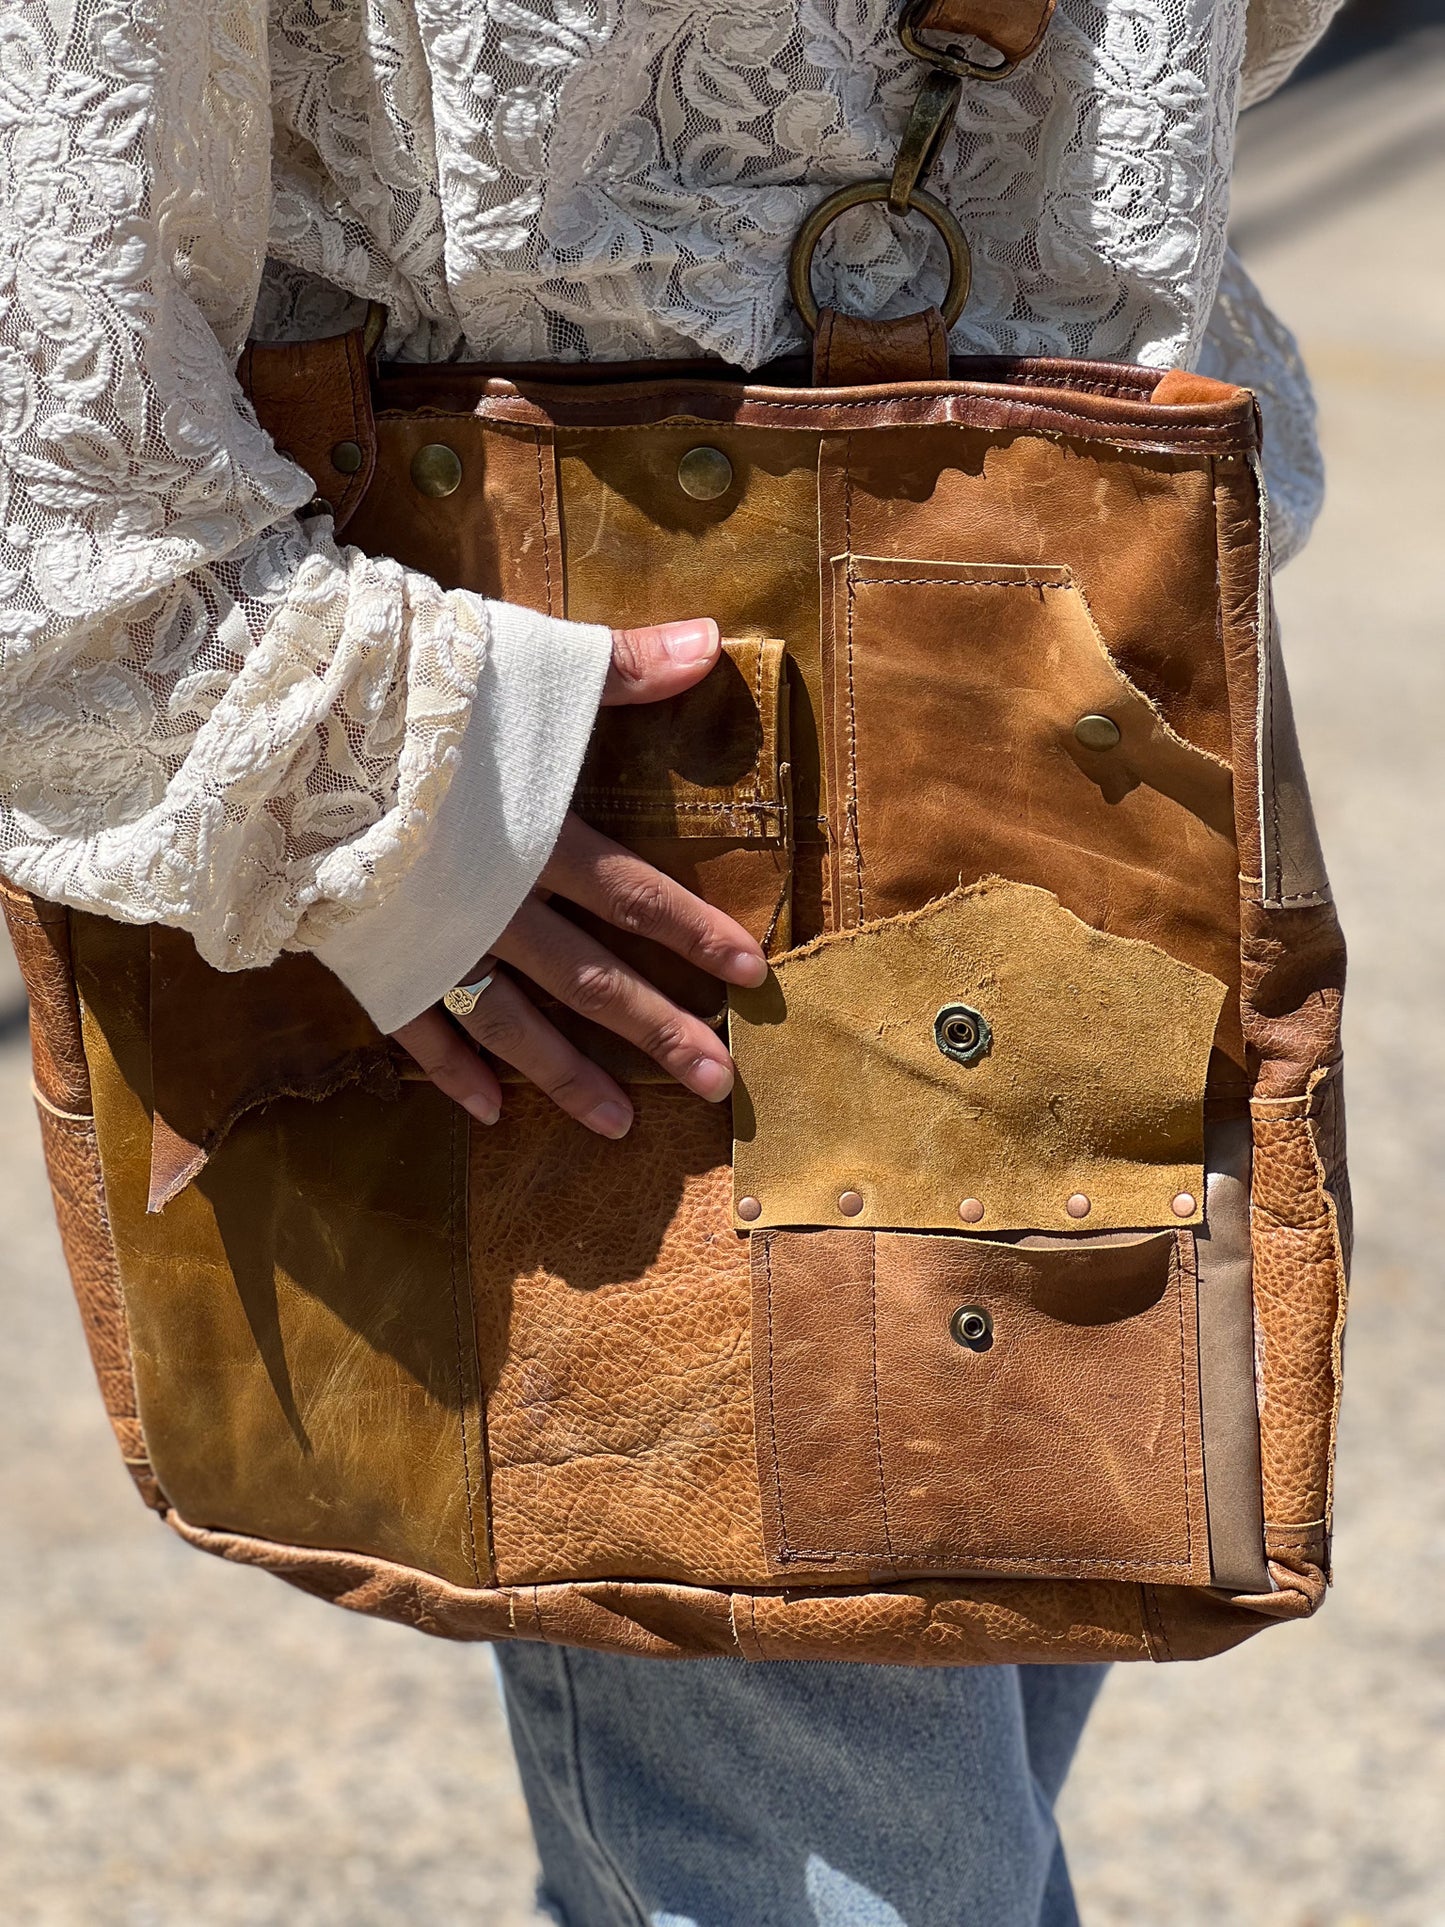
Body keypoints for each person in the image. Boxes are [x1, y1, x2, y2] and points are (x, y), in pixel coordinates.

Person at [0, 0, 1344, 1918]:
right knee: (900, 1860)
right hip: (578, 752)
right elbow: (46, 270)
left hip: (1070, 666)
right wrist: (377, 779)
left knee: (1017, 1615)